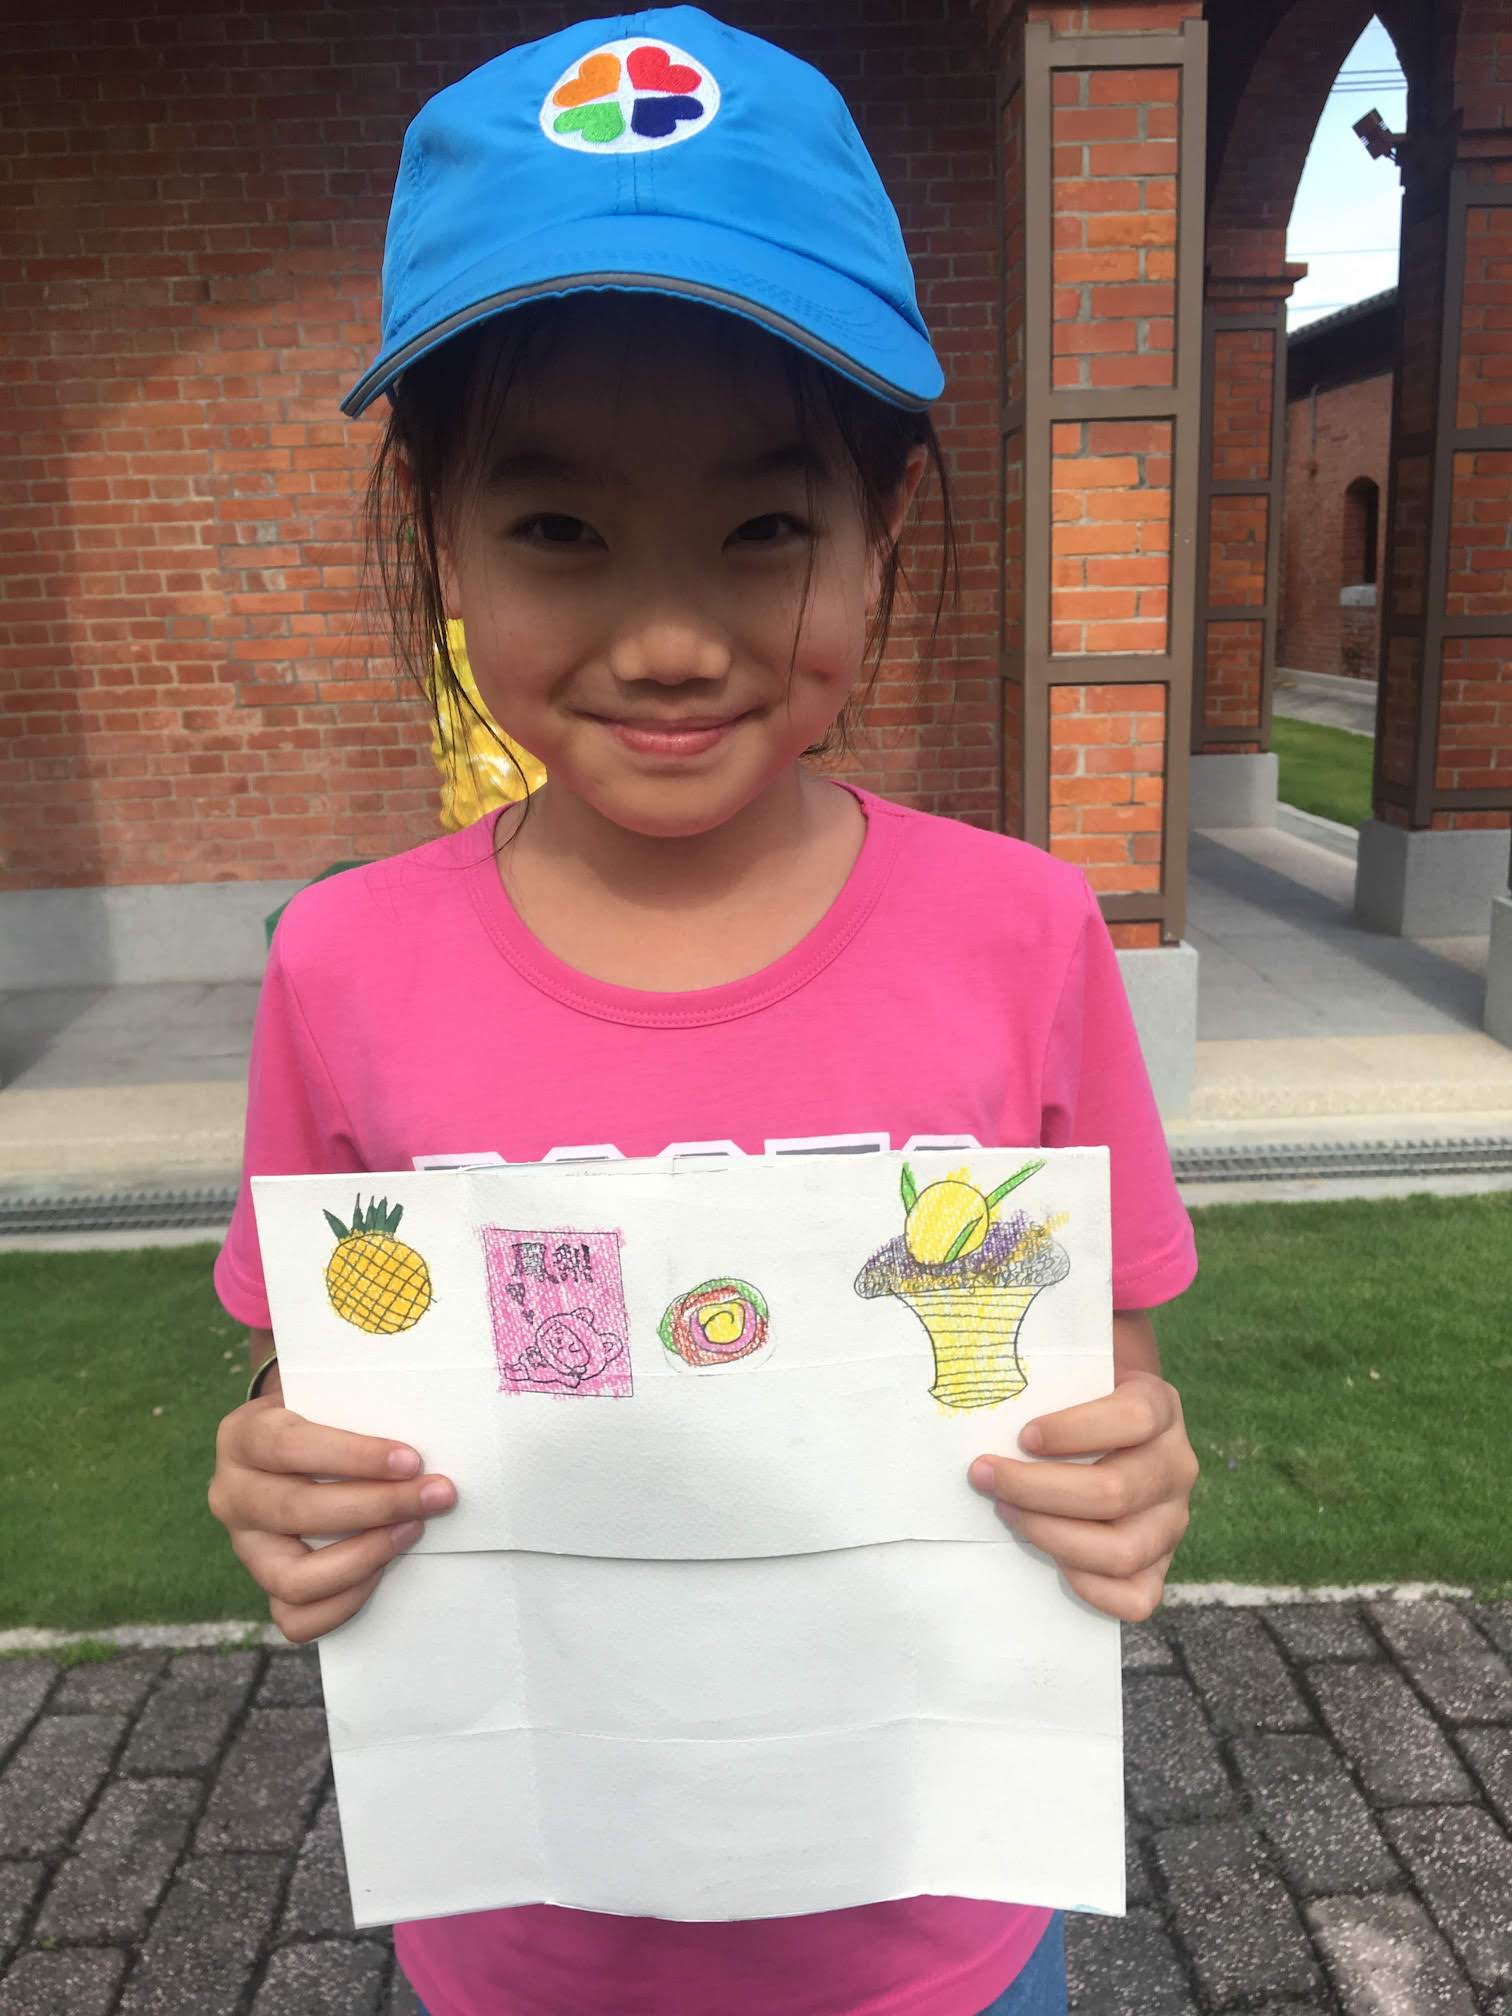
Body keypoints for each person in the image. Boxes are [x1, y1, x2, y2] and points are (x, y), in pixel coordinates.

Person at [205, 9, 1200, 2013]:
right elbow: (314, 1391)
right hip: (525, 1933)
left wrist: (1132, 1467)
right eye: (558, 529)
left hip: (937, 1931)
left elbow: (1103, 1373)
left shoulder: (1021, 936)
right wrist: (277, 1480)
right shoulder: (343, 965)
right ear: (440, 540)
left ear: (881, 529)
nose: (669, 638)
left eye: (764, 528)